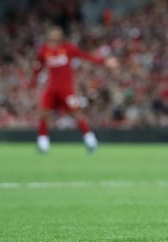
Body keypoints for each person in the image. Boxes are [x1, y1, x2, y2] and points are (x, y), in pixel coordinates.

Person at [30, 25, 118, 153]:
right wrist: (32, 81)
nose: (55, 36)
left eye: (57, 34)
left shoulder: (68, 48)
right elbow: (37, 66)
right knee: (44, 113)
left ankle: (91, 140)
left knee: (76, 114)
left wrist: (103, 61)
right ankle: (43, 143)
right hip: (51, 89)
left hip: (66, 90)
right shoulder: (44, 51)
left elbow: (85, 56)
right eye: (53, 34)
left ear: (61, 36)